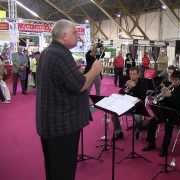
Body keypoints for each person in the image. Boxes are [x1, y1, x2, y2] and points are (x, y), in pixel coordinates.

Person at [36, 19, 103, 180]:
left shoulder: (49, 52)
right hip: (62, 126)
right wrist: (94, 70)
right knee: (63, 172)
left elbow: (61, 83)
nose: (78, 36)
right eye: (75, 32)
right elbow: (80, 85)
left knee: (54, 170)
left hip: (51, 123)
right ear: (64, 35)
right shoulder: (60, 54)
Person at [142, 70, 180, 156]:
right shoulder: (170, 88)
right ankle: (151, 143)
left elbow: (178, 104)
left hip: (176, 114)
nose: (173, 82)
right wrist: (161, 96)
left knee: (168, 126)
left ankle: (164, 148)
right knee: (152, 122)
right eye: (172, 80)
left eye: (176, 80)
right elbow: (164, 101)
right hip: (165, 112)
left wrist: (170, 96)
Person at [112, 67, 150, 140]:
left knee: (138, 118)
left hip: (137, 107)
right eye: (130, 74)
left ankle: (140, 128)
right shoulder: (128, 81)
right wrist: (125, 89)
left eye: (134, 74)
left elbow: (143, 96)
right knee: (114, 114)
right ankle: (118, 132)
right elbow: (120, 93)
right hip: (126, 106)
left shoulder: (143, 82)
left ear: (138, 75)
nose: (132, 76)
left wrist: (134, 87)